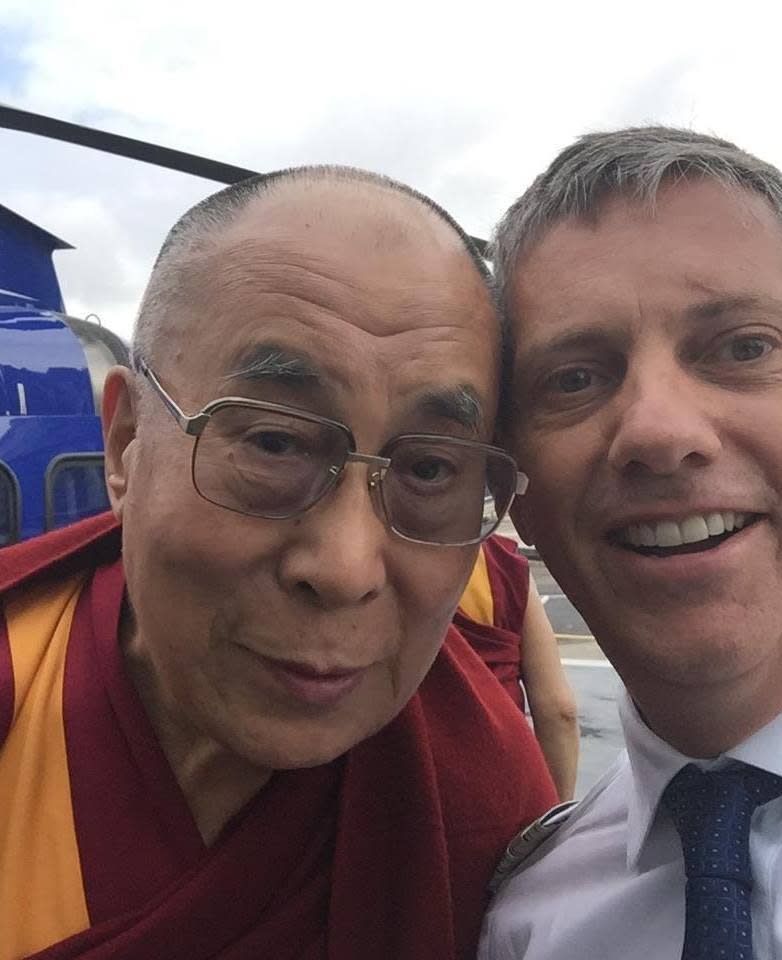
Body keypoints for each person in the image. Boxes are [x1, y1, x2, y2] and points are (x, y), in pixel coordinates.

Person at [0, 166, 559, 960]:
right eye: (272, 441)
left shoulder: (483, 806)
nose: (345, 568)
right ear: (125, 445)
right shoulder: (17, 678)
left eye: (430, 468)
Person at [479, 127, 782, 958]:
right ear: (515, 487)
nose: (659, 432)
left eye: (742, 348)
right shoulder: (530, 920)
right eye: (575, 378)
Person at [455, 534, 579, 800]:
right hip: (505, 788)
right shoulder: (500, 561)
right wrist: (554, 823)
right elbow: (559, 711)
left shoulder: (381, 561)